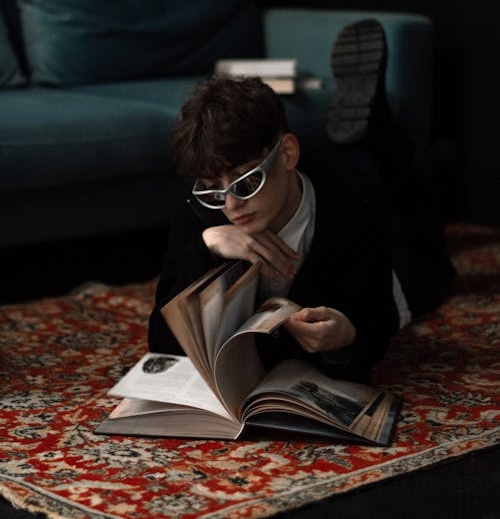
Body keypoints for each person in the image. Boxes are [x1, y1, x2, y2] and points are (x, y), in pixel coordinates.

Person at [148, 20, 453, 383]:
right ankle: (388, 143)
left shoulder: (353, 202)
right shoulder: (203, 211)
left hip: (369, 229)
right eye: (214, 189)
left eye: (247, 182)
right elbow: (162, 347)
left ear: (288, 153)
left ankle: (390, 140)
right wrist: (205, 245)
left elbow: (375, 330)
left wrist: (347, 335)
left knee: (431, 270)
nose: (230, 204)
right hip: (340, 194)